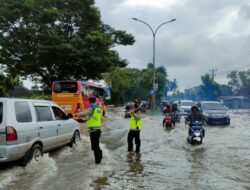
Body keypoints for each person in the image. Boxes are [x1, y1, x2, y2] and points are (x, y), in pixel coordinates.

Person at [76, 97, 103, 164]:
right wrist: (85, 119)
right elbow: (94, 118)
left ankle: (98, 163)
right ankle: (100, 157)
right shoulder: (99, 109)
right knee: (95, 146)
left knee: (95, 147)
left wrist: (78, 114)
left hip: (93, 131)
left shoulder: (92, 108)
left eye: (88, 102)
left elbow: (85, 113)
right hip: (98, 130)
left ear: (89, 102)